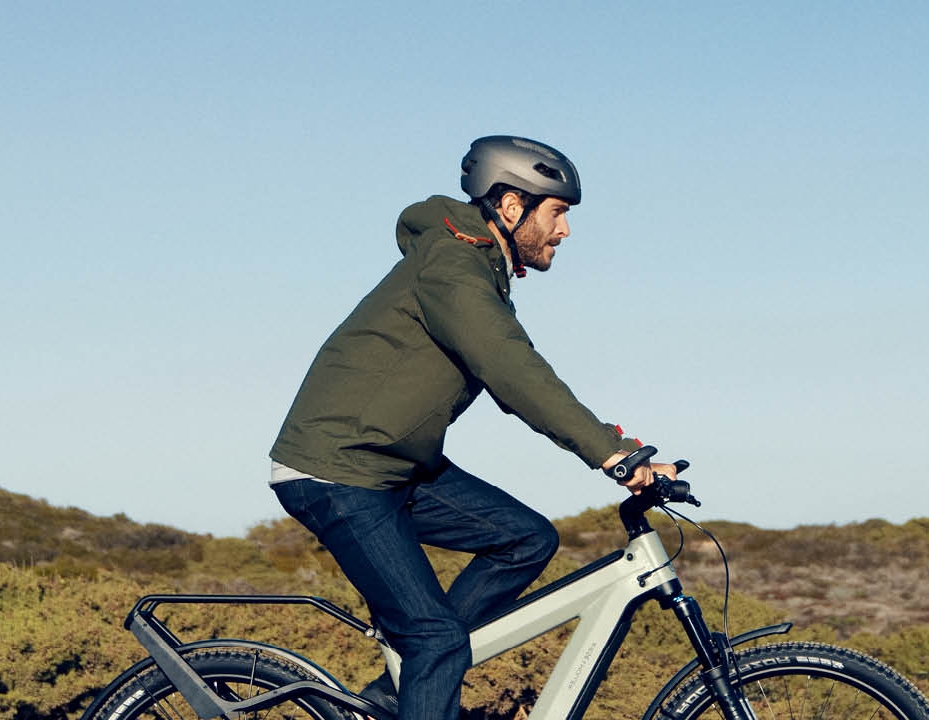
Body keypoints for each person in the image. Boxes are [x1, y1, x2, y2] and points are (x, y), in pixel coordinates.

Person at [267, 135, 680, 720]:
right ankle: (423, 665)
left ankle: (403, 688)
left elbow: (513, 373)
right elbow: (511, 369)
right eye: (557, 212)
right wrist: (612, 453)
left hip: (393, 465)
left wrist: (616, 446)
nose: (565, 231)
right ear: (511, 207)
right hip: (340, 471)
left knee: (526, 540)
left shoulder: (478, 267)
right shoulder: (454, 266)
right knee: (436, 639)